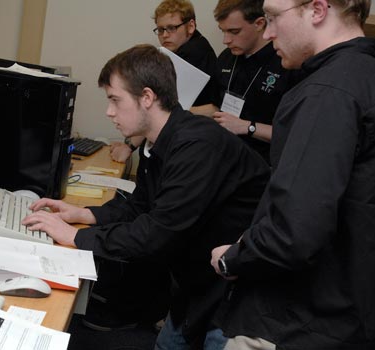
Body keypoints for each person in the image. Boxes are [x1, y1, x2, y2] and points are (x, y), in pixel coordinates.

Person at [23, 44, 270, 349]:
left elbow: (158, 232)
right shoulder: (158, 143)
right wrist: (84, 215)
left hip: (232, 293)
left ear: (148, 98)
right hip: (194, 284)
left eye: (115, 100)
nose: (108, 111)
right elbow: (142, 206)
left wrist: (76, 237)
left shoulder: (197, 145)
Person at [211, 0, 375, 349]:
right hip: (356, 313)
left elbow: (295, 230)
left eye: (275, 17)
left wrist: (233, 257)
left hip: (298, 320)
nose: (270, 31)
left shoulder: (326, 93)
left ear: (317, 10)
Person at [192, 0, 301, 164]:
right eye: (223, 31)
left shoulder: (286, 63)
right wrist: (184, 110)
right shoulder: (226, 58)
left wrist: (247, 127)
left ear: (259, 23)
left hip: (264, 163)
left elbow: (296, 133)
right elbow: (216, 107)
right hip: (224, 155)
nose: (226, 40)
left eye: (234, 31)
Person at [109, 0, 219, 163]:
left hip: (188, 144)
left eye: (172, 28)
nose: (165, 35)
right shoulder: (195, 48)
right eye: (160, 30)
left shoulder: (191, 55)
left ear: (190, 26)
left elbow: (158, 110)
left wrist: (129, 146)